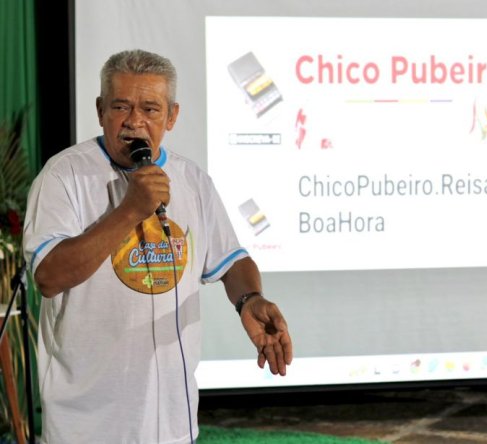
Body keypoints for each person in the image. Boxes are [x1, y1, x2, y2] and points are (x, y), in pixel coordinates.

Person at [22, 49, 293, 444]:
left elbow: (232, 261)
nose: (134, 121)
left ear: (172, 116)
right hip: (86, 428)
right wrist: (130, 210)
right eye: (121, 106)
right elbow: (49, 276)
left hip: (172, 425)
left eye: (150, 109)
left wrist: (249, 299)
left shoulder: (192, 180)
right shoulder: (64, 176)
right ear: (100, 111)